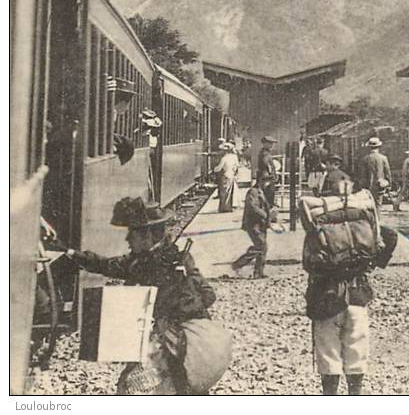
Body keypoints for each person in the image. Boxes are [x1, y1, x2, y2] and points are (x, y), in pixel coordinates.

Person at [65, 197, 217, 394]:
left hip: (174, 347)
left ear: (147, 237)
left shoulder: (147, 264)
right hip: (191, 343)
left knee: (130, 386)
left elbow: (110, 266)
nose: (127, 240)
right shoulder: (178, 258)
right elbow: (208, 295)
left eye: (132, 234)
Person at [305, 175, 398, 396]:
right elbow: (391, 236)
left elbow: (310, 264)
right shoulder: (363, 223)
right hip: (358, 295)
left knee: (328, 352)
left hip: (327, 298)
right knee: (356, 350)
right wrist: (375, 261)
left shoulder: (318, 229)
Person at [232, 176, 273, 278]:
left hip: (261, 224)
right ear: (260, 181)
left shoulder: (261, 191)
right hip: (253, 224)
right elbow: (253, 207)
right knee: (262, 246)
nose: (267, 184)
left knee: (261, 247)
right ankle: (239, 264)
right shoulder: (253, 192)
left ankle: (258, 272)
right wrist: (266, 215)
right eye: (266, 181)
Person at [361, 136, 391, 207]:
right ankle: (377, 218)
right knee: (378, 205)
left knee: (369, 206)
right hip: (380, 185)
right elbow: (388, 173)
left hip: (368, 186)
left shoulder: (365, 159)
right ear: (379, 147)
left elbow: (363, 175)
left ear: (369, 147)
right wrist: (389, 185)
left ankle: (373, 218)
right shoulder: (383, 158)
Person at [213, 142, 239, 213]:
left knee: (224, 192)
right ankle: (230, 207)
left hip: (225, 176)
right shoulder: (234, 157)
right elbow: (237, 166)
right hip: (232, 175)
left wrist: (214, 169)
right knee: (231, 192)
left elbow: (219, 168)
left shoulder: (224, 158)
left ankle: (224, 208)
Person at [256, 136, 279, 208]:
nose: (272, 145)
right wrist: (272, 174)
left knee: (268, 197)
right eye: (270, 143)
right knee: (268, 196)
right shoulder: (265, 153)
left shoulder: (265, 152)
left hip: (267, 176)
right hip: (266, 177)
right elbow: (266, 164)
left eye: (272, 144)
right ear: (265, 144)